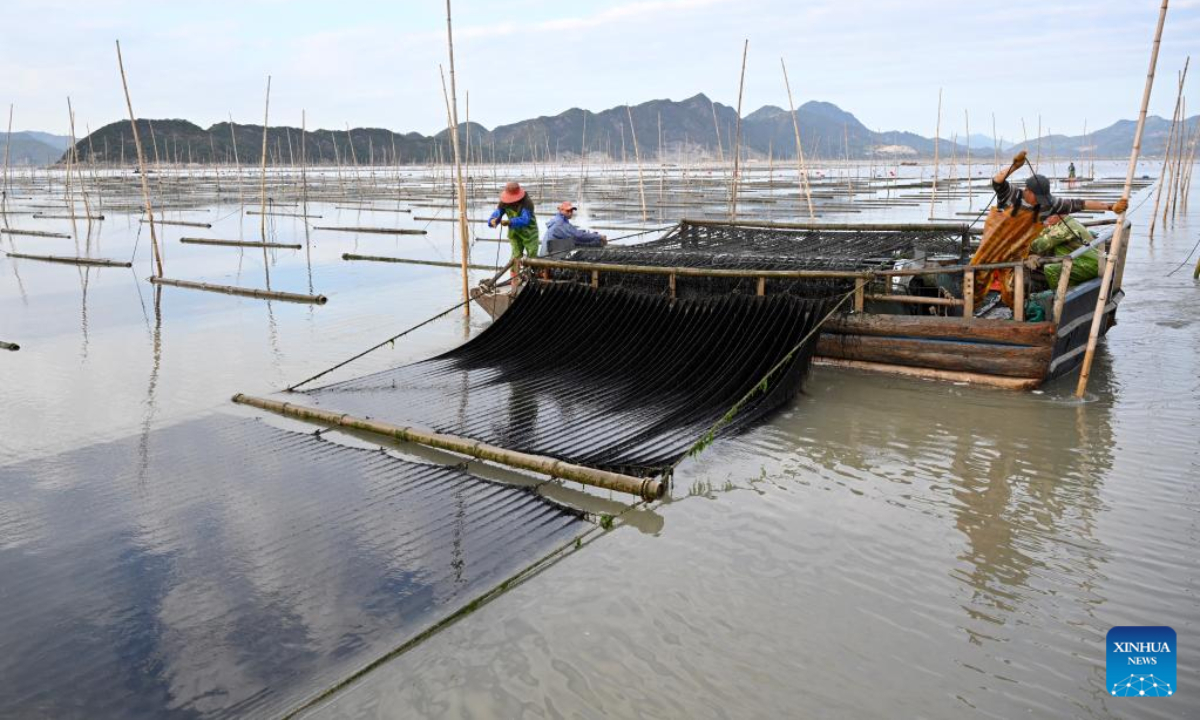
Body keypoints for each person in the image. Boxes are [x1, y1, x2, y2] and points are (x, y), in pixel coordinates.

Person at [992, 151, 1126, 221]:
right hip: (999, 244)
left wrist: (1111, 206)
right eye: (1037, 198)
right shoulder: (1011, 194)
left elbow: (1082, 204)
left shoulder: (1050, 203)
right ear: (1028, 191)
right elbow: (997, 181)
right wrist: (1015, 166)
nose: (1039, 202)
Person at [1026, 214, 1099, 288]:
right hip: (1079, 260)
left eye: (1047, 217)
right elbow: (1042, 234)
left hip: (1088, 265)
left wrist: (1022, 244)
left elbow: (1039, 245)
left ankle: (1058, 293)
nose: (1045, 221)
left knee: (1050, 269)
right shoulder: (1063, 223)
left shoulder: (1065, 228)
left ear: (1056, 216)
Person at [487, 182, 539, 267]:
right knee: (516, 256)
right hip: (514, 233)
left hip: (530, 233)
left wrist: (510, 222)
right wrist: (492, 220)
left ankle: (532, 276)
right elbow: (498, 213)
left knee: (532, 256)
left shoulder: (527, 202)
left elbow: (525, 220)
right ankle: (515, 278)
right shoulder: (504, 202)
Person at [542, 202, 607, 256]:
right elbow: (577, 235)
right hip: (548, 255)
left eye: (571, 211)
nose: (570, 213)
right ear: (561, 210)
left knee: (575, 242)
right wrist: (598, 236)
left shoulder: (560, 220)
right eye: (567, 211)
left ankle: (596, 241)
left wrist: (592, 235)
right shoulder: (560, 223)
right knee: (576, 241)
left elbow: (574, 232)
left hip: (552, 249)